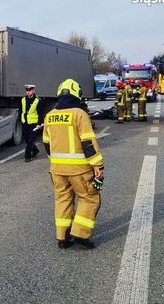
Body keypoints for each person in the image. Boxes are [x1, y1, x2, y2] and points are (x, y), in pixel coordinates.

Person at [42, 79, 104, 249]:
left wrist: (55, 162)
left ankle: (63, 237)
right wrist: (98, 166)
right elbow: (88, 143)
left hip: (57, 169)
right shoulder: (79, 114)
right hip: (79, 169)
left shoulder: (50, 115)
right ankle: (80, 234)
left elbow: (46, 143)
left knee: (63, 199)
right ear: (77, 93)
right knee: (90, 198)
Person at [20, 84, 45, 162]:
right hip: (25, 123)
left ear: (33, 91)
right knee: (27, 139)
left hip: (34, 123)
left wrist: (39, 123)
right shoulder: (23, 100)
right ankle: (35, 150)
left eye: (30, 91)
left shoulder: (38, 100)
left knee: (31, 140)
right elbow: (21, 110)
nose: (28, 92)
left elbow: (41, 113)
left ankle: (27, 156)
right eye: (27, 91)